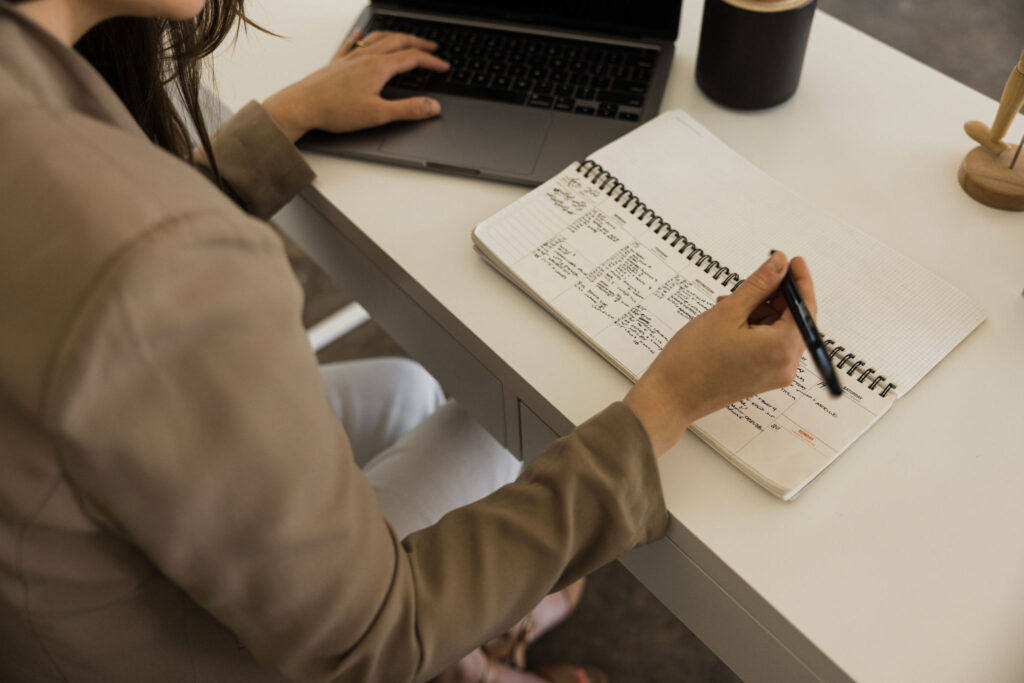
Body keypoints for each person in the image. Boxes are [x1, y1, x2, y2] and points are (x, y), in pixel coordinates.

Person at [0, 0, 817, 681]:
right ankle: (482, 646)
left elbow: (85, 246)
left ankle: (482, 639)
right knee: (495, 429)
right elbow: (372, 636)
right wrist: (669, 401)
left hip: (61, 555)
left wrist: (289, 116)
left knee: (404, 391)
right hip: (172, 650)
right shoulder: (164, 262)